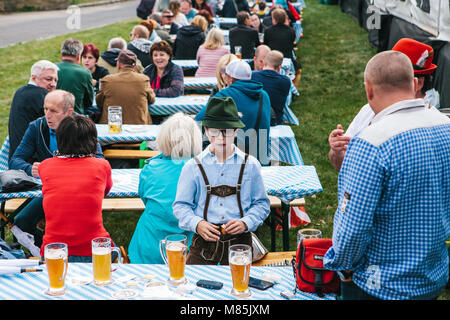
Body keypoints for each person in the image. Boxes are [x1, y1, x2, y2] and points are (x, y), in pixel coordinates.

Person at [323, 50, 450, 300]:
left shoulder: (371, 142)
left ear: (368, 89)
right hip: (432, 275)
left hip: (380, 286)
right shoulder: (445, 126)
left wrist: (343, 266)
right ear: (414, 83)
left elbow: (353, 229)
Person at [173, 97, 270, 265]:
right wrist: (197, 224)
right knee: (193, 287)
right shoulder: (193, 166)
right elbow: (181, 206)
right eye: (215, 131)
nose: (221, 137)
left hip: (240, 242)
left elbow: (262, 204)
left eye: (227, 131)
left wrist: (246, 222)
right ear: (206, 131)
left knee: (238, 286)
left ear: (236, 131)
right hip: (204, 241)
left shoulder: (250, 165)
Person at [9, 90, 104, 248]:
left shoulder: (81, 126)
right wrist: (29, 168)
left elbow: (99, 158)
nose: (47, 115)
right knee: (21, 220)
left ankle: (67, 249)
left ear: (69, 112)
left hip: (79, 189)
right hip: (51, 190)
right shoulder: (37, 127)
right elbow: (15, 160)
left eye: (53, 111)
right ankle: (46, 248)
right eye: (45, 109)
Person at [328, 38, 440, 171]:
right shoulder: (368, 109)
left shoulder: (426, 127)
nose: (383, 83)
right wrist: (337, 152)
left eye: (394, 78)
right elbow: (342, 164)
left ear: (418, 83)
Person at [128, 113, 203, 264]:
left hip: (149, 248)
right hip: (192, 250)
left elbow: (145, 199)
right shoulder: (206, 171)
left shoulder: (150, 169)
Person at [38, 114, 115, 262]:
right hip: (94, 248)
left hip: (54, 250)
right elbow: (105, 190)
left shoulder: (45, 166)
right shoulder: (102, 166)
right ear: (93, 141)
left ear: (60, 139)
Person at [196, 59, 271, 165]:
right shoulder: (264, 95)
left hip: (233, 162)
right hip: (261, 159)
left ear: (230, 79)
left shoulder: (224, 95)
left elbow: (199, 121)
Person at [8, 60, 59, 160]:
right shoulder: (41, 95)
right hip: (33, 161)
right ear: (33, 78)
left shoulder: (20, 91)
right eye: (48, 79)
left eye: (55, 80)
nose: (53, 84)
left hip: (17, 156)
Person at [97, 50, 155, 125]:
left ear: (118, 65)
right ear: (135, 67)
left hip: (112, 127)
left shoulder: (107, 80)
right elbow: (152, 99)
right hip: (139, 126)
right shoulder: (143, 80)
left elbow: (99, 103)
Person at [251, 50, 291, 126]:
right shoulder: (285, 81)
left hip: (255, 120)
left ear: (264, 63)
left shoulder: (252, 75)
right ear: (279, 67)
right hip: (276, 122)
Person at [264, 8, 301, 87]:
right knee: (298, 70)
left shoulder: (268, 31)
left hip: (272, 59)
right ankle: (294, 87)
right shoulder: (291, 31)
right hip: (287, 58)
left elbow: (266, 45)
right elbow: (292, 43)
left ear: (274, 19)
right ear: (285, 18)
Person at [56, 38, 94, 115]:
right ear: (78, 56)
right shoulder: (84, 73)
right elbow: (89, 102)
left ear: (61, 54)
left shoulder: (51, 68)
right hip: (76, 118)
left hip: (53, 115)